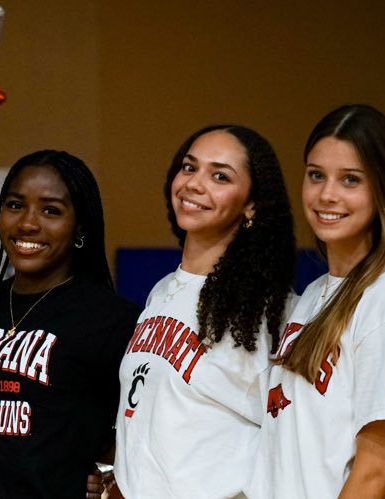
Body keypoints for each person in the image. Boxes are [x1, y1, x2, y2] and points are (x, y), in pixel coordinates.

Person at [250, 104, 385, 499]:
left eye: (350, 179)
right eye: (316, 175)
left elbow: (374, 468)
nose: (327, 194)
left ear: (382, 189)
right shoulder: (312, 297)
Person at [0, 150, 140, 498]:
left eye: (51, 211)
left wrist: (108, 476)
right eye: (15, 205)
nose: (28, 223)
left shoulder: (110, 319)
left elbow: (140, 430)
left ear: (80, 227)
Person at [110, 125, 295, 498]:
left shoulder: (270, 310)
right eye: (189, 167)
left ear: (252, 205)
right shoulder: (161, 291)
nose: (194, 183)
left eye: (220, 176)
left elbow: (290, 441)